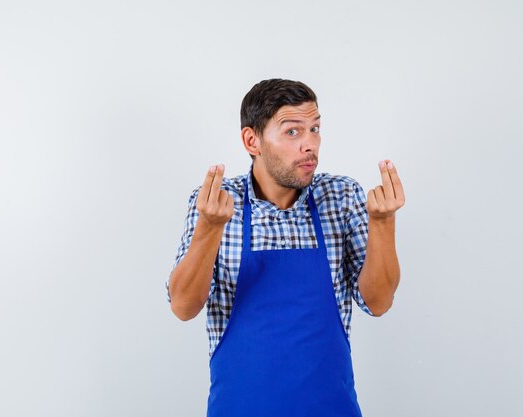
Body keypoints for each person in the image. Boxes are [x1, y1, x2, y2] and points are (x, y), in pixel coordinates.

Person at [166, 78, 404, 417]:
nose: (310, 145)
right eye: (293, 132)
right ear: (253, 140)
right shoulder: (216, 204)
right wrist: (210, 227)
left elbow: (378, 303)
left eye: (315, 128)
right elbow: (183, 307)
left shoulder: (340, 197)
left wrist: (383, 223)